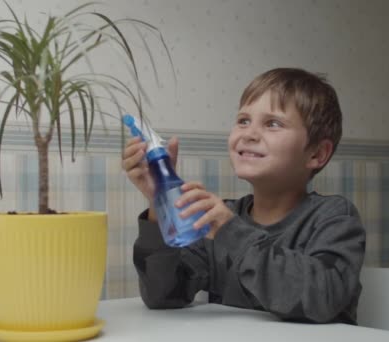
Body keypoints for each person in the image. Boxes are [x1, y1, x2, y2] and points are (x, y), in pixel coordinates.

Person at [121, 67, 366, 324]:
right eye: (243, 121)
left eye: (273, 123)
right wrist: (159, 202)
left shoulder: (333, 217)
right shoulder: (221, 220)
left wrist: (231, 232)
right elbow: (164, 295)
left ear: (316, 154)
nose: (249, 134)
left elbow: (322, 298)